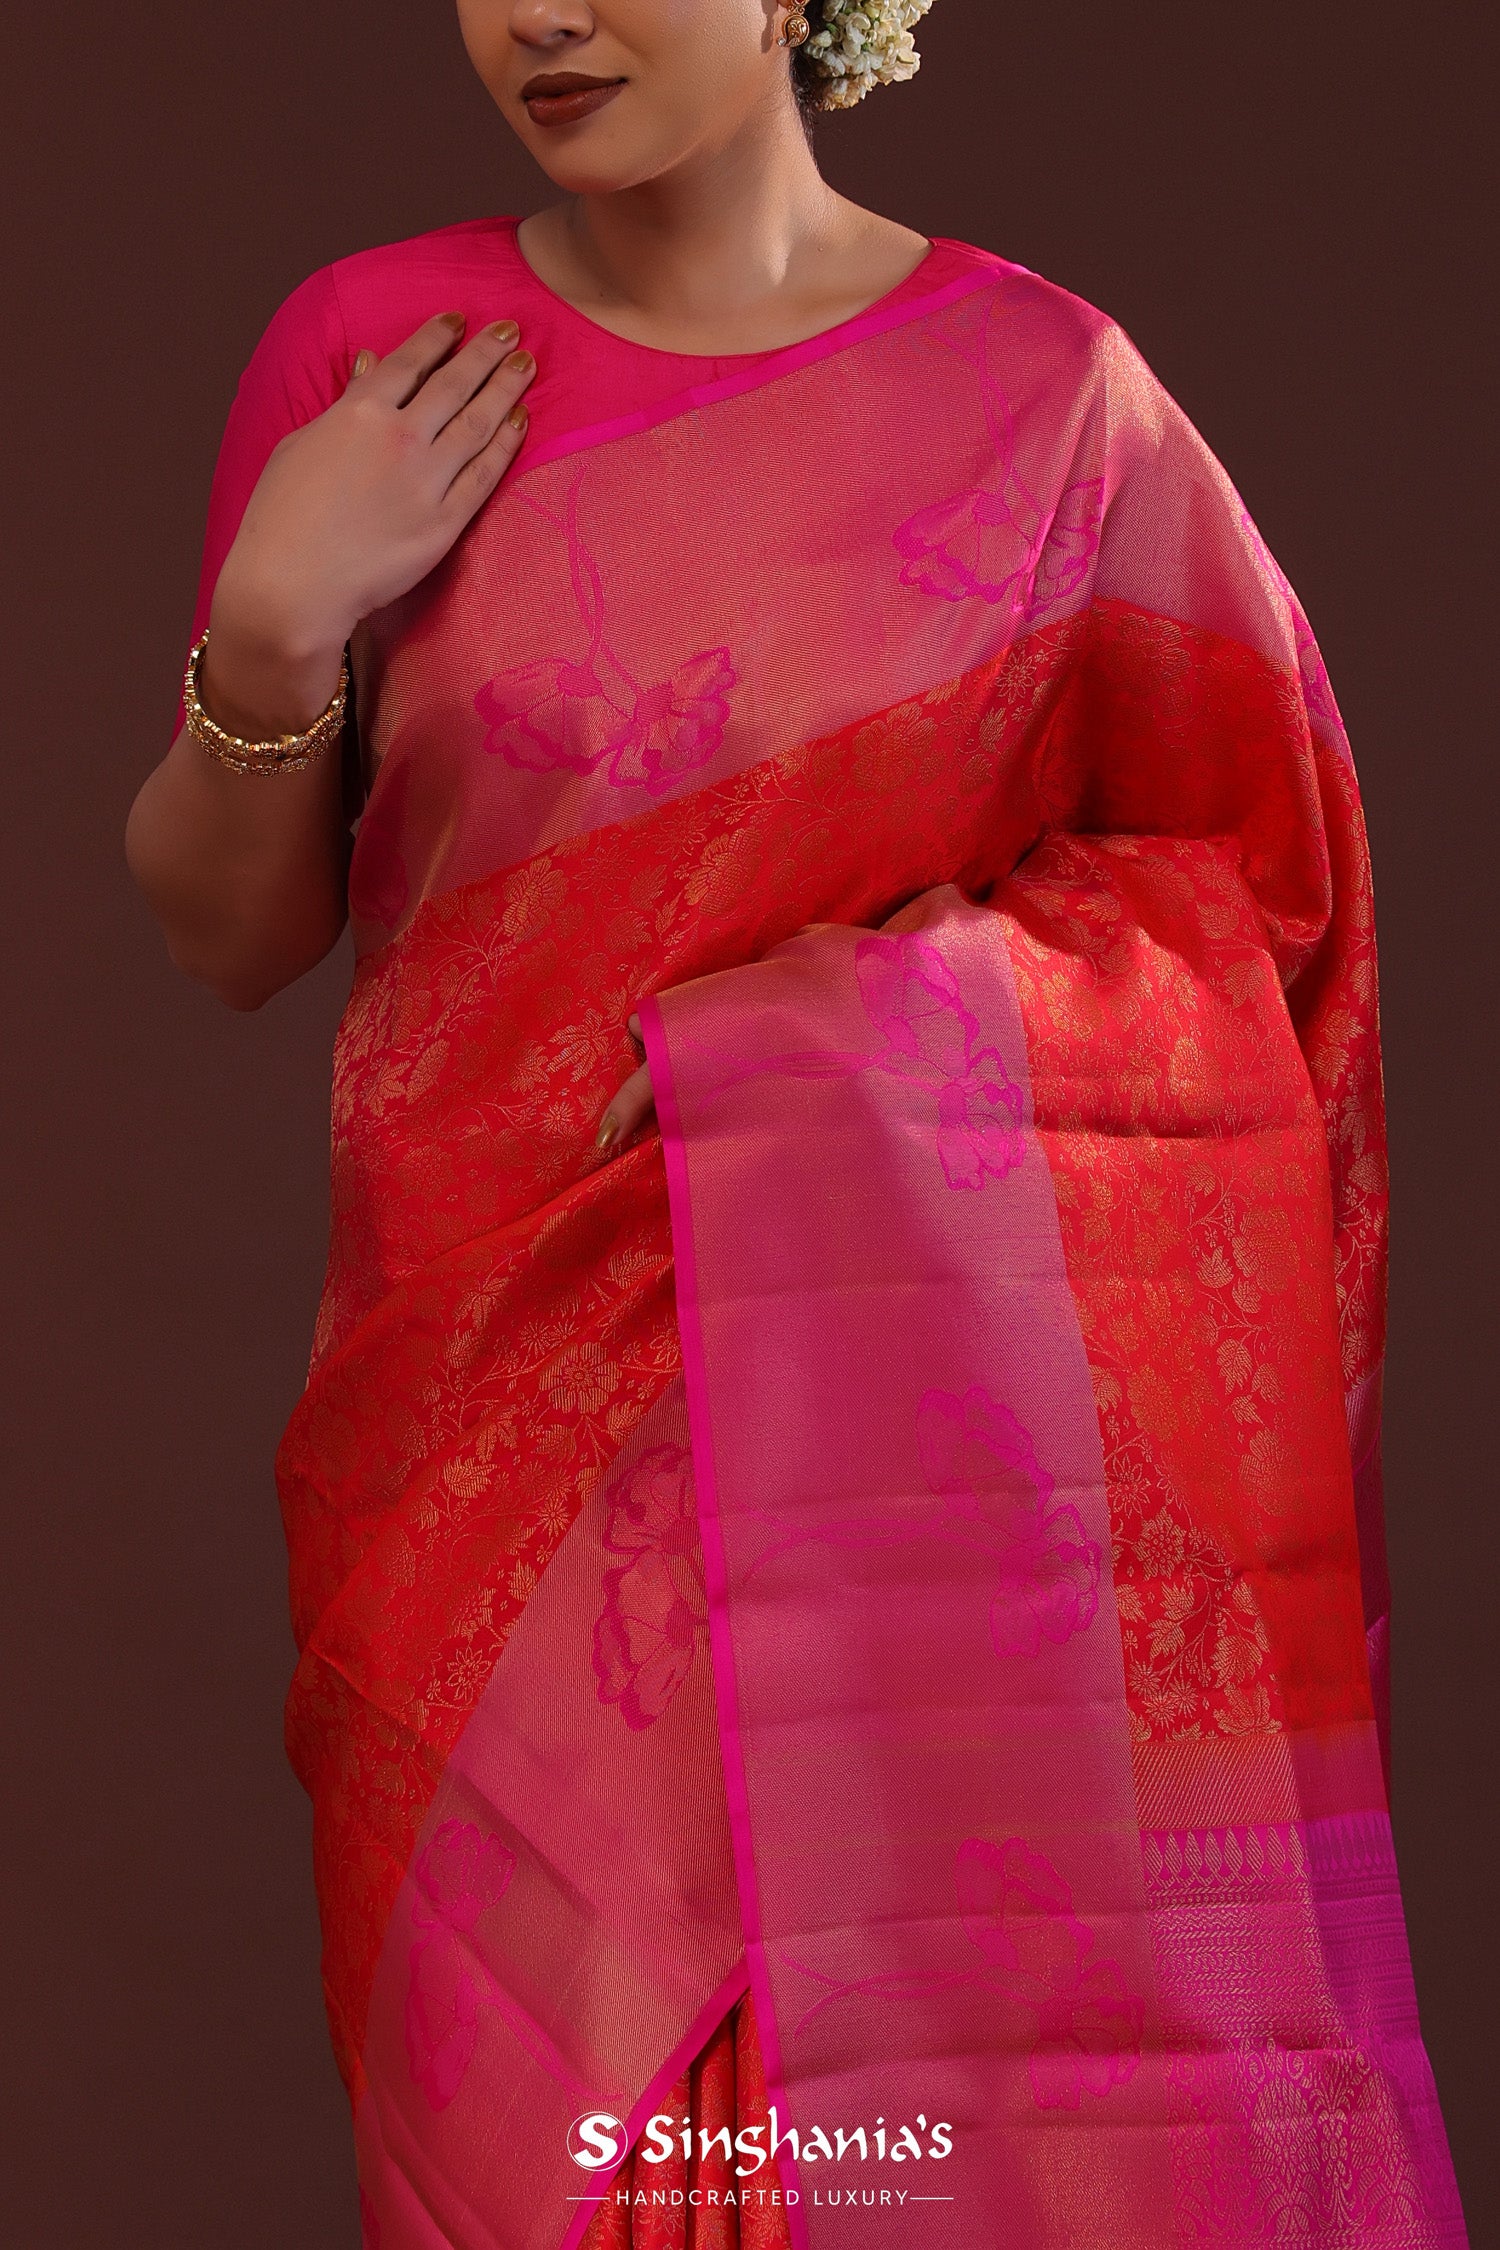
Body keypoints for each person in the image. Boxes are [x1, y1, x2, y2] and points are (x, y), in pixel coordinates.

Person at [126, 4, 1467, 2245]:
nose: (539, 14)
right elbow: (227, 935)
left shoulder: (1052, 406)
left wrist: (811, 1074)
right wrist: (268, 642)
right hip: (487, 1514)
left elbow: (1264, 919)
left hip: (909, 1538)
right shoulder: (377, 363)